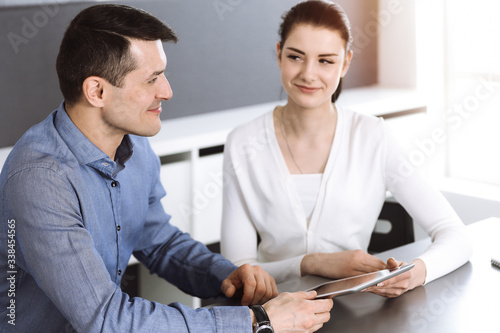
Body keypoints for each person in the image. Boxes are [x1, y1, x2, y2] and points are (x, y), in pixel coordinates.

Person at [0, 4, 333, 332]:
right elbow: (107, 319)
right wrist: (258, 321)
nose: (167, 91)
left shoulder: (132, 143)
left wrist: (223, 274)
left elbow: (158, 242)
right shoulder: (39, 180)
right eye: (152, 79)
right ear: (97, 91)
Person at [221, 0, 473, 298]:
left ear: (345, 63)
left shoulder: (372, 137)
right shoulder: (243, 142)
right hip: (276, 314)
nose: (309, 74)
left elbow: (456, 235)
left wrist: (415, 273)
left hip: (356, 312)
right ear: (279, 54)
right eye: (296, 57)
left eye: (325, 60)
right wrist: (311, 263)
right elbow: (236, 269)